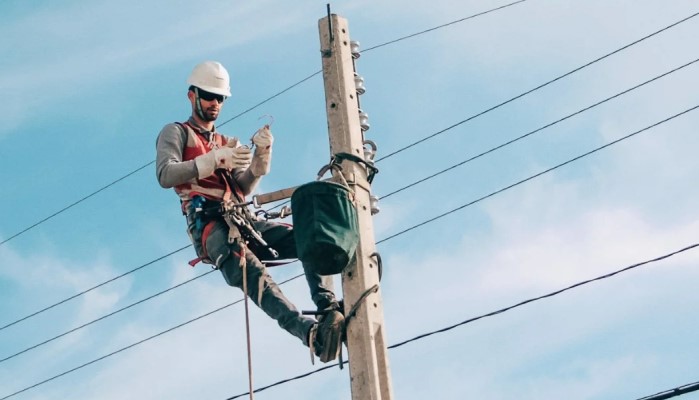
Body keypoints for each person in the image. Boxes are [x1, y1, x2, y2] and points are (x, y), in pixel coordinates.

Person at [155, 61, 344, 363]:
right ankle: (311, 335)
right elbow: (166, 174)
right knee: (255, 277)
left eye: (220, 98)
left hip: (243, 218)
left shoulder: (227, 142)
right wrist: (213, 160)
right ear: (192, 96)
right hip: (211, 225)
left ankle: (328, 309)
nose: (215, 103)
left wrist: (259, 162)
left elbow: (242, 187)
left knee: (310, 237)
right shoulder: (177, 133)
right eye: (208, 96)